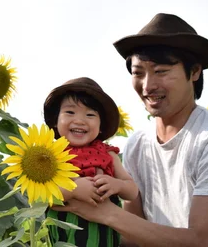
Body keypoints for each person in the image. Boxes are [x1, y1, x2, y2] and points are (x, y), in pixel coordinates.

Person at [52, 13, 208, 247]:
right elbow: (134, 231)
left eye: (161, 71)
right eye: (138, 73)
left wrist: (105, 213)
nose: (147, 86)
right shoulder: (139, 143)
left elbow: (205, 243)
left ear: (194, 71)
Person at [43, 77, 139, 246]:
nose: (80, 120)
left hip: (104, 237)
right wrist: (73, 190)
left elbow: (132, 191)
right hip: (63, 238)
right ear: (55, 121)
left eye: (90, 115)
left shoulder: (107, 154)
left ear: (101, 125)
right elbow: (41, 196)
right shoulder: (50, 154)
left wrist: (116, 184)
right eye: (70, 112)